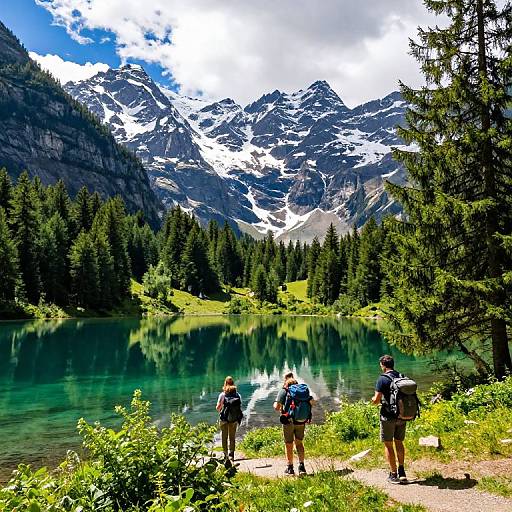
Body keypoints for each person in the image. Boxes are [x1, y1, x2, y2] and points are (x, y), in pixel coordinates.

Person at [371, 355, 407, 484]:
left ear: (383, 365)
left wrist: (373, 400)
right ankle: (402, 471)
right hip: (402, 416)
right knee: (399, 442)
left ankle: (393, 474)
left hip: (388, 416)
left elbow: (376, 400)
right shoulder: (401, 376)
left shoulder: (382, 379)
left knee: (388, 444)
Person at [273, 374, 314, 475]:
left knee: (289, 444)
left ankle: (290, 468)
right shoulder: (302, 391)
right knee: (299, 443)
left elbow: (277, 407)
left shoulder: (284, 391)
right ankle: (302, 467)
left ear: (285, 382)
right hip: (301, 421)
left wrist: (276, 403)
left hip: (288, 421)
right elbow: (312, 402)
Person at [216, 376, 243, 464]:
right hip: (234, 419)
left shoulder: (223, 395)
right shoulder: (237, 395)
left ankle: (225, 455)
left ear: (225, 383)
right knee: (232, 437)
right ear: (233, 384)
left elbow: (218, 407)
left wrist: (221, 409)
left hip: (224, 419)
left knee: (224, 437)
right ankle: (232, 455)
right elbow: (239, 406)